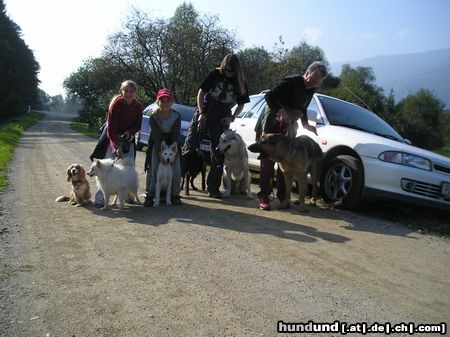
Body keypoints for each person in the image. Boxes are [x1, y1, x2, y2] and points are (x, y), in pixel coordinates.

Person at [255, 61, 328, 211]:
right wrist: (281, 111)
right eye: (312, 80)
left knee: (286, 161)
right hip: (273, 119)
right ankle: (264, 196)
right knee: (267, 159)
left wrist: (306, 124)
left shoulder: (311, 89)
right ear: (307, 73)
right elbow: (269, 96)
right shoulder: (290, 82)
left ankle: (283, 199)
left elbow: (304, 107)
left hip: (290, 123)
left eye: (317, 83)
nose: (313, 84)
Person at [182, 53, 250, 198]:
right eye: (226, 70)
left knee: (218, 153)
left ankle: (213, 189)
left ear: (236, 70)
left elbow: (242, 104)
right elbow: (201, 93)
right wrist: (201, 113)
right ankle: (176, 185)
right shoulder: (214, 74)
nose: (227, 73)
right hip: (205, 110)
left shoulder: (241, 82)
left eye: (231, 71)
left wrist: (232, 117)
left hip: (222, 115)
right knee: (189, 147)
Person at [93, 80, 143, 207]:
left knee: (127, 167)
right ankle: (100, 198)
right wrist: (116, 146)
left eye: (132, 91)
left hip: (128, 138)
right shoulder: (115, 105)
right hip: (112, 135)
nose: (128, 94)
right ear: (121, 92)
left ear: (136, 93)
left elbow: (138, 125)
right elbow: (110, 129)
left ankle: (127, 196)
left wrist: (129, 133)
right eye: (126, 91)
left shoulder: (138, 107)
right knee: (105, 167)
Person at [144, 88, 182, 206]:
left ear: (171, 102)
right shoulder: (153, 116)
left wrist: (173, 153)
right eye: (162, 101)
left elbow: (175, 134)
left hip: (172, 142)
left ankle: (175, 195)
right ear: (158, 101)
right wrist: (160, 153)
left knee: (176, 168)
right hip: (157, 142)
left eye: (167, 100)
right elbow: (156, 135)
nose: (165, 103)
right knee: (154, 167)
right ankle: (150, 195)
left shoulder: (176, 115)